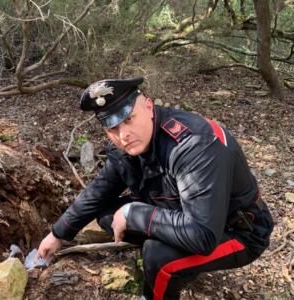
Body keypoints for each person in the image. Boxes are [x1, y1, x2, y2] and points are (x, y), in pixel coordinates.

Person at [37, 77, 274, 299]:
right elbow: (101, 189)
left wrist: (134, 214)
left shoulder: (194, 146)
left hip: (237, 231)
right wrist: (58, 233)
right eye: (112, 129)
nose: (123, 135)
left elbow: (203, 235)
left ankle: (162, 280)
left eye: (129, 119)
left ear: (149, 107)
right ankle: (178, 259)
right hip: (183, 212)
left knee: (158, 257)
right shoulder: (129, 144)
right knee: (106, 215)